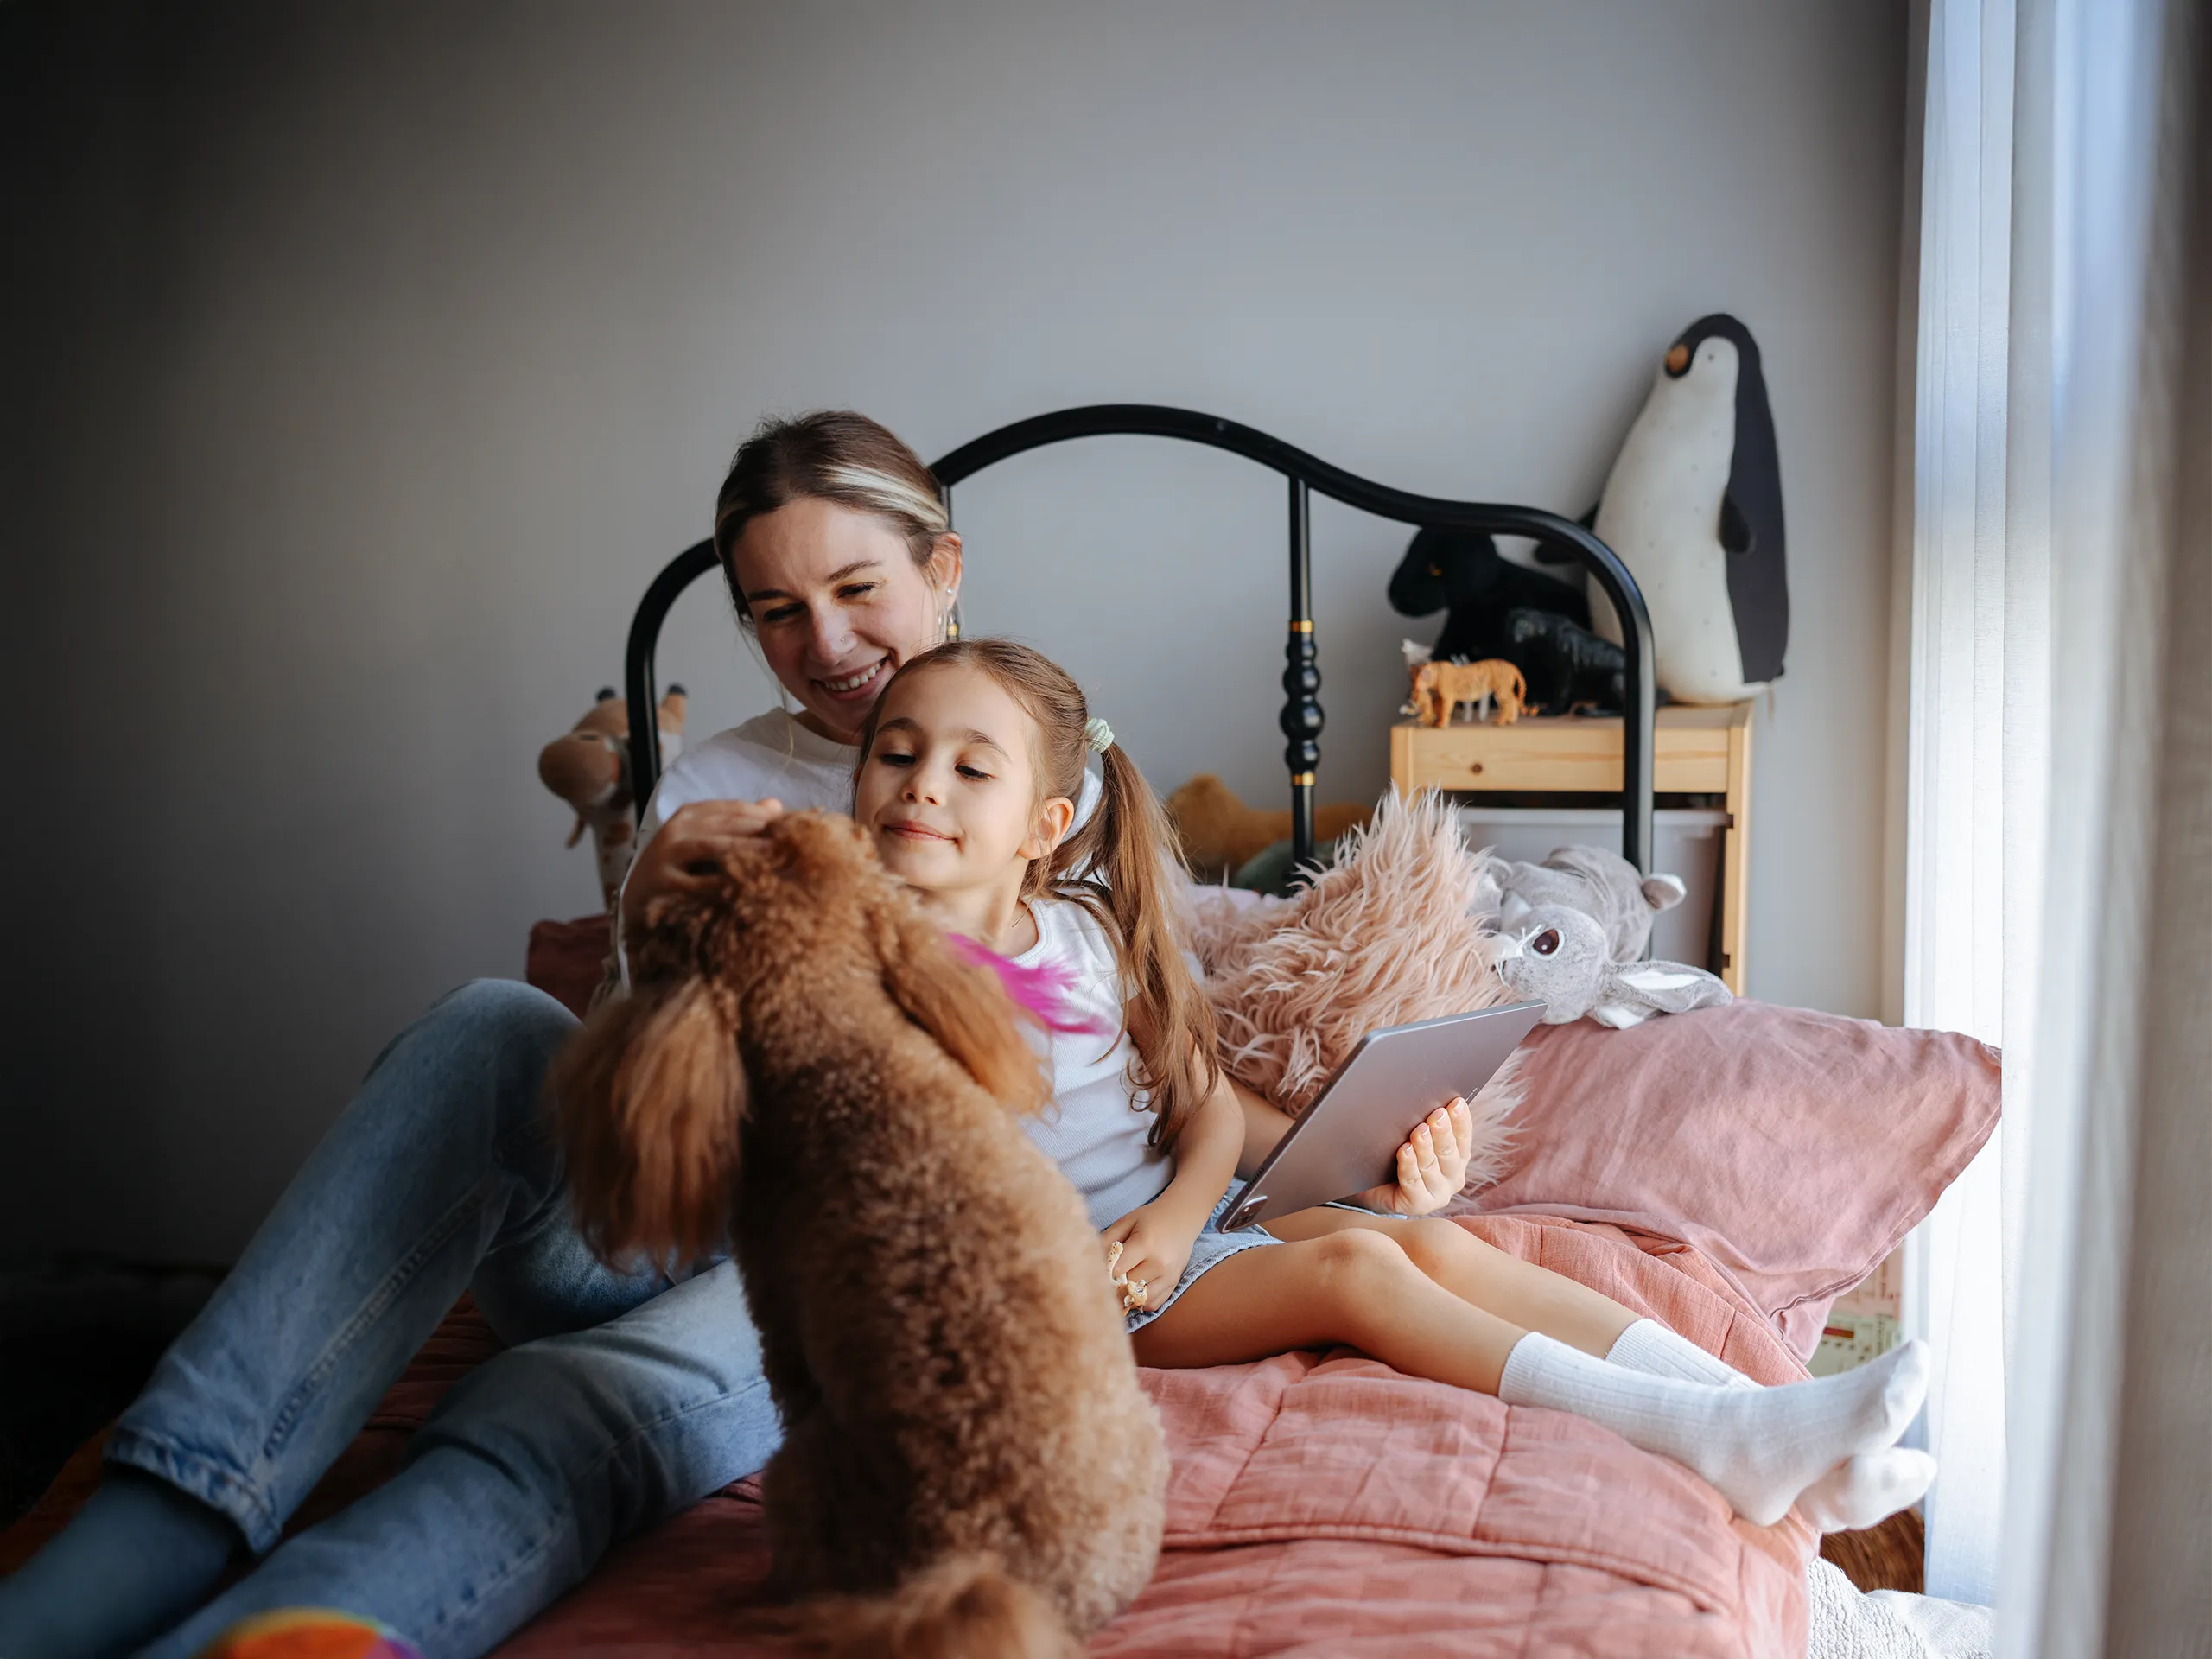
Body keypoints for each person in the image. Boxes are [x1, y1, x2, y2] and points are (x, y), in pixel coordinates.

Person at [0, 412, 1479, 1657]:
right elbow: (633, 1100)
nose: (825, 646)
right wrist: (679, 942)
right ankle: (170, 1508)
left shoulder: (1046, 787)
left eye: (857, 591)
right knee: (487, 1025)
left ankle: (312, 1623)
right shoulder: (715, 780)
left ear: (943, 572)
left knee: (612, 1380)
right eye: (775, 610)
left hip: (826, 1250)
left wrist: (1360, 1158)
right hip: (659, 1209)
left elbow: (1157, 1077)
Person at [842, 637, 1940, 1532]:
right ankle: (1707, 1439)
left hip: (1176, 1234)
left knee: (1440, 1242)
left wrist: (1186, 1220)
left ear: (1048, 824)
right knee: (1358, 1271)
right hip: (1081, 1287)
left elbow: (1207, 1108)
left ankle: (1769, 1418)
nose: (922, 786)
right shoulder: (854, 969)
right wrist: (1157, 1245)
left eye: (969, 767)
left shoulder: (1085, 934)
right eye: (895, 754)